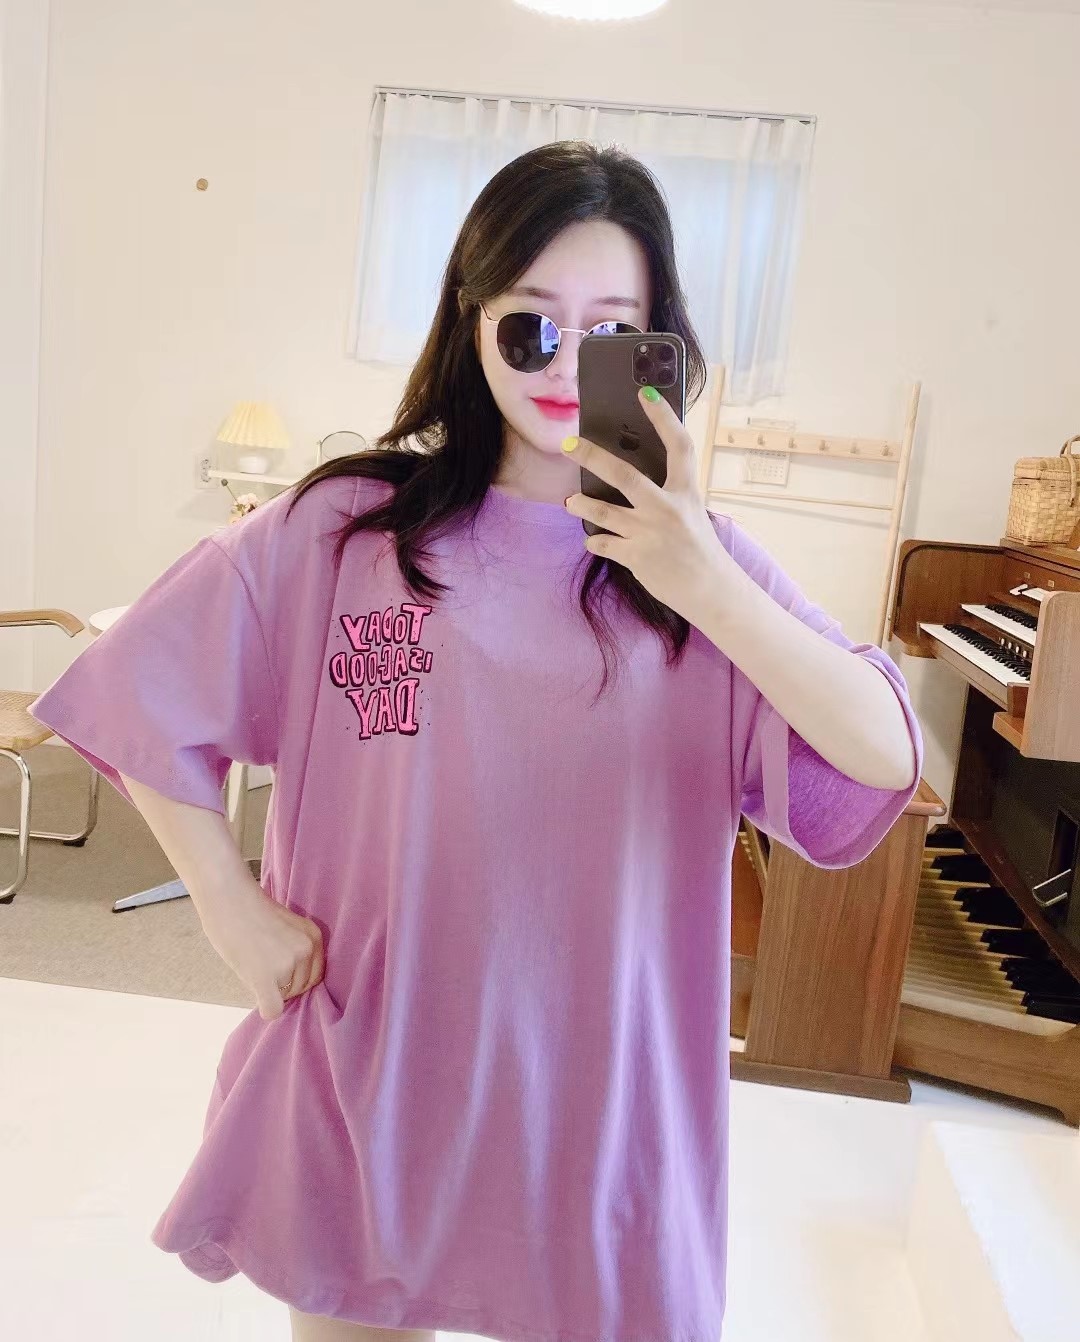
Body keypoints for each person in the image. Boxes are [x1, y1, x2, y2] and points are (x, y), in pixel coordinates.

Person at [28, 140, 922, 1342]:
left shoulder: (702, 576)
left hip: (603, 1113)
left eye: (610, 333)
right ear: (474, 319)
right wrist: (229, 909)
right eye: (530, 327)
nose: (562, 366)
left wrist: (704, 581)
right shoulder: (347, 532)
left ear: (659, 348)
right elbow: (139, 687)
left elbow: (885, 754)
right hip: (372, 1075)